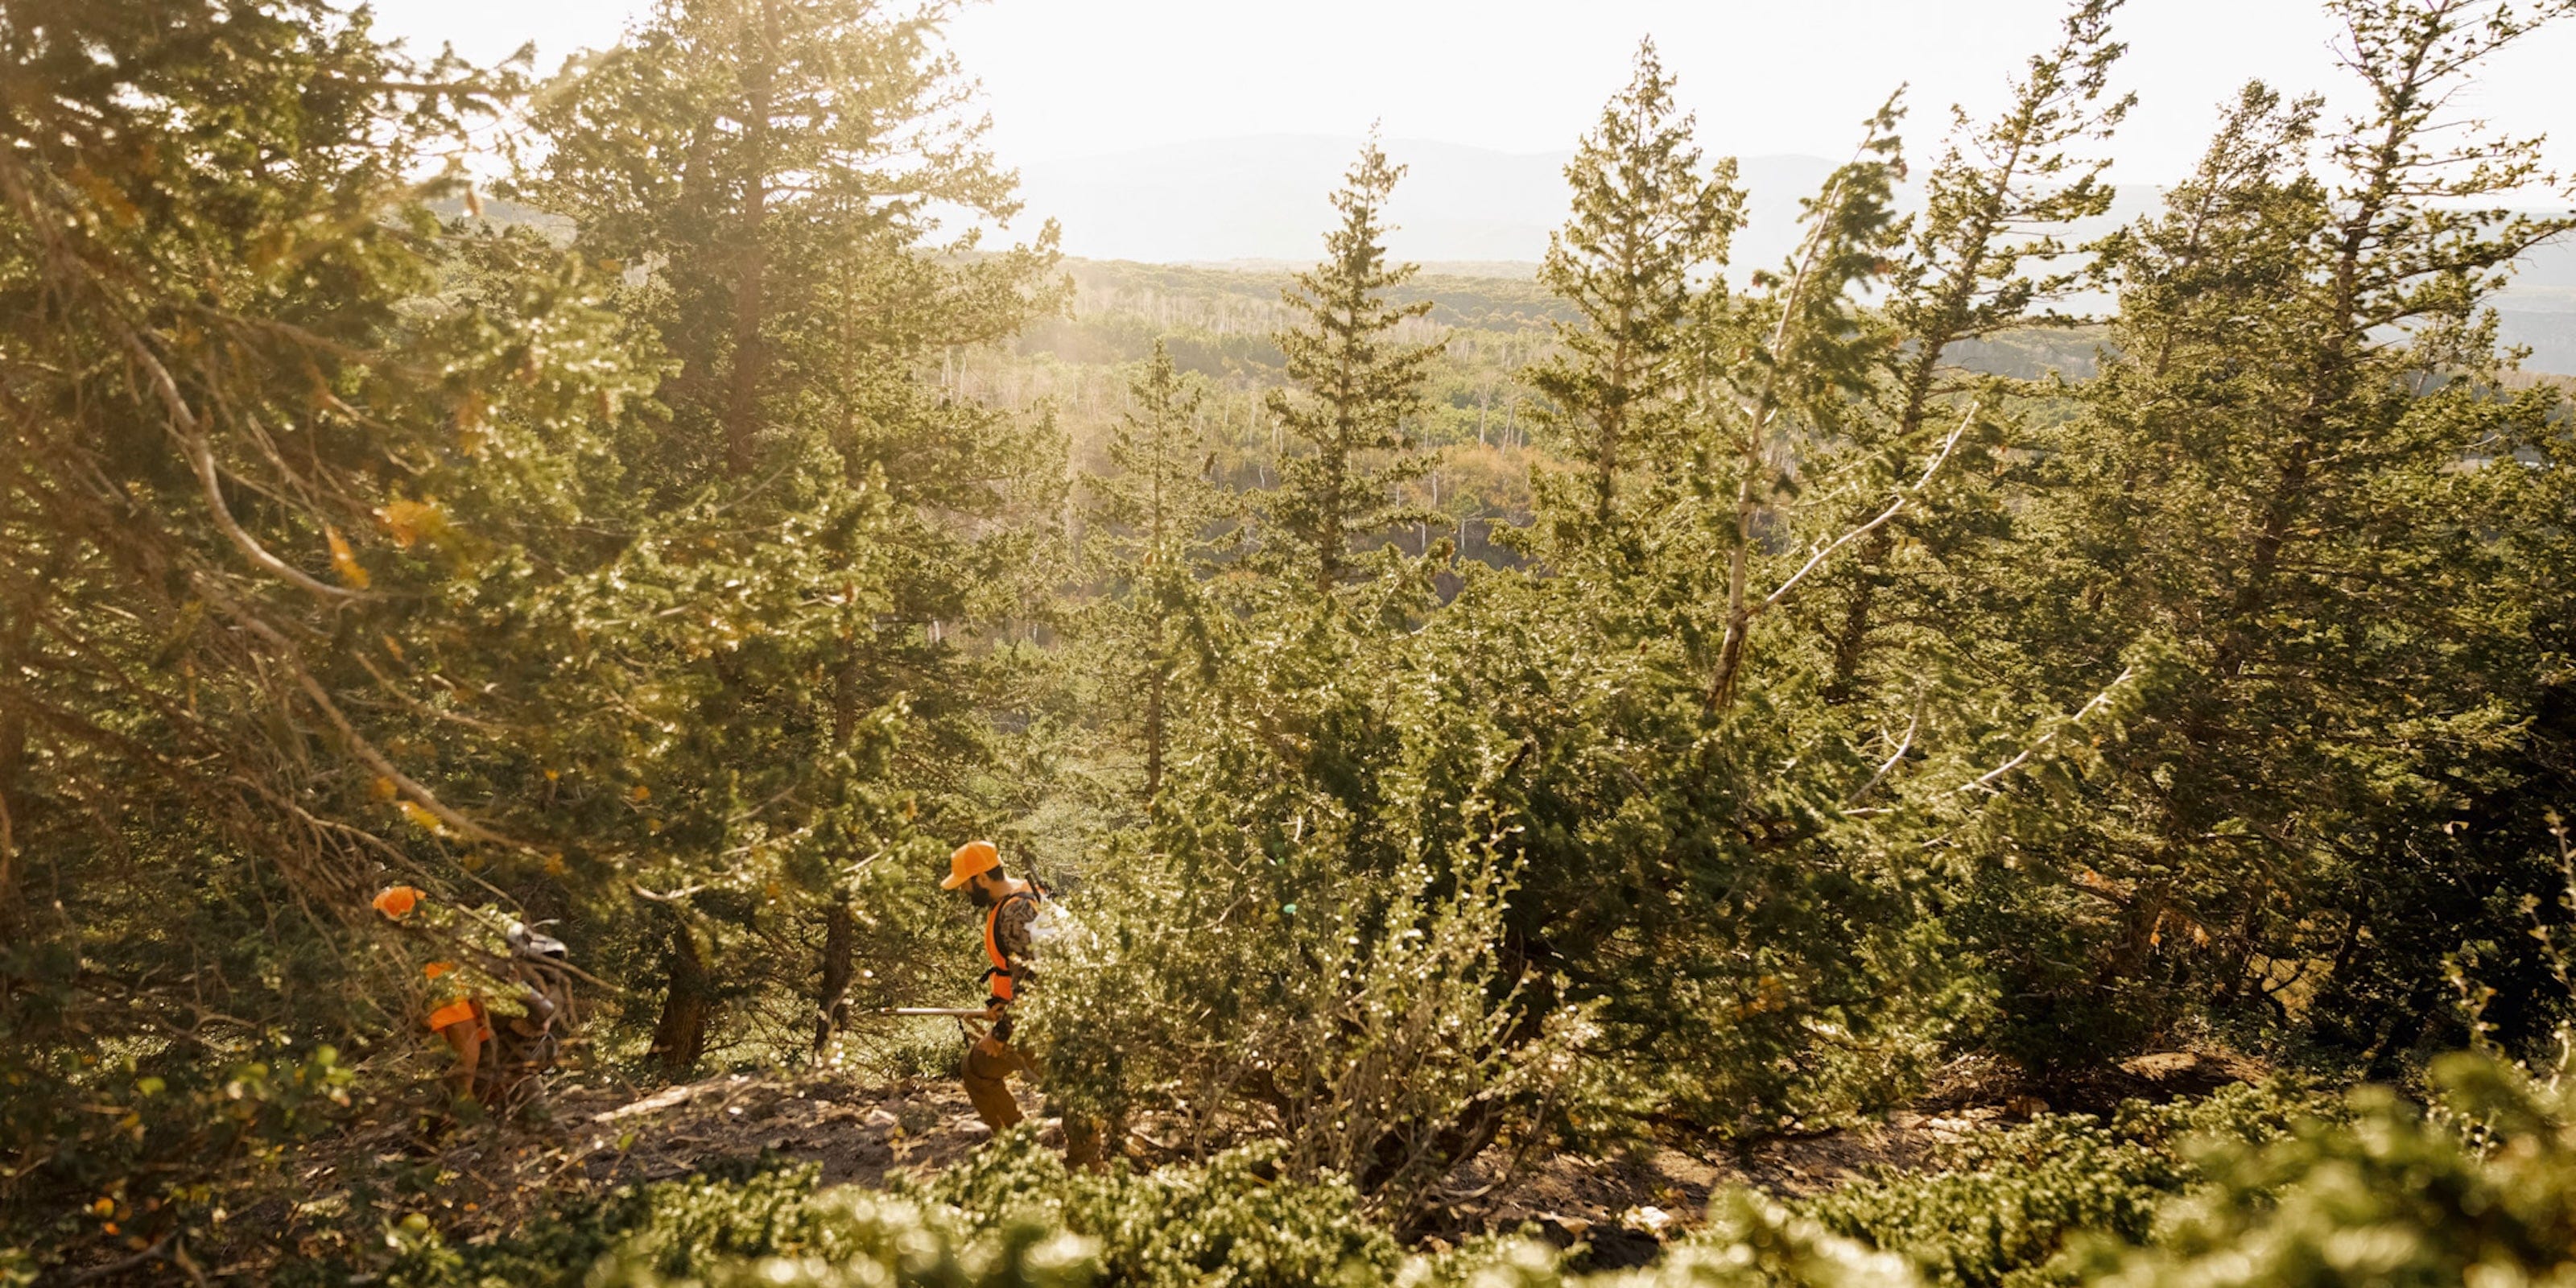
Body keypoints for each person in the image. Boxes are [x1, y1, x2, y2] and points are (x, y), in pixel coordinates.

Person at [939, 840, 1102, 1168]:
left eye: (966, 885)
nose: (964, 893)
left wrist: (999, 1035)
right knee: (1075, 1088)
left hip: (1049, 1021)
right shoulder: (1028, 894)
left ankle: (1023, 1153)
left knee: (976, 1069)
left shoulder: (1014, 915)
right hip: (1075, 1012)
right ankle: (1085, 1167)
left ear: (983, 879)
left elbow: (1033, 987)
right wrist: (1002, 1001)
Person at [371, 885, 574, 1110]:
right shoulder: (458, 942)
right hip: (527, 1043)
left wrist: (464, 1095)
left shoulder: (435, 963)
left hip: (501, 1050)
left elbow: (464, 1031)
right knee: (534, 1116)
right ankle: (551, 1134)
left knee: (442, 1111)